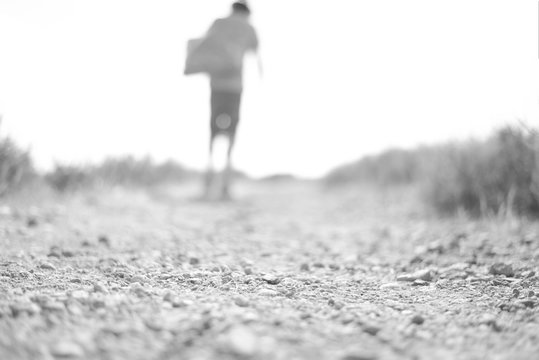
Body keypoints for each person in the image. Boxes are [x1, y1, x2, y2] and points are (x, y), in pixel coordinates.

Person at [203, 1, 259, 200]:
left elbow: (205, 45)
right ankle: (225, 181)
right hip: (235, 87)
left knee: (213, 128)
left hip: (216, 84)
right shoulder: (248, 27)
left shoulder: (219, 23)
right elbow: (255, 54)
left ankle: (209, 175)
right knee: (232, 131)